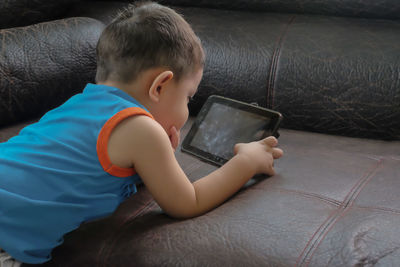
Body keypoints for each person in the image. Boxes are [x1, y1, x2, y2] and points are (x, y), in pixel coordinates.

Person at [0, 1, 283, 266]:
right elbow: (187, 202)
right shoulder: (141, 128)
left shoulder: (80, 102)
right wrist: (246, 162)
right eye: (188, 97)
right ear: (160, 86)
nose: (187, 109)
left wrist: (155, 160)